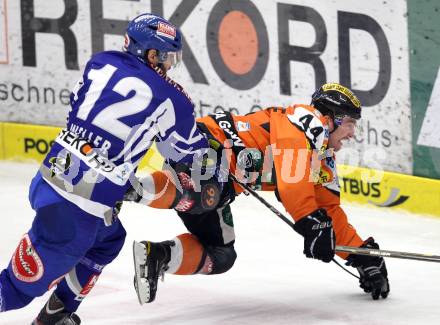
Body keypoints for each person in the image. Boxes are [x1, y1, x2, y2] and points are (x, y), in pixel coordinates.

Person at [0, 13, 209, 324]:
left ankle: (55, 317)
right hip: (76, 209)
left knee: (109, 239)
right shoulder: (173, 99)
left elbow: (78, 108)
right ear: (150, 54)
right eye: (166, 57)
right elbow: (188, 154)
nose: (168, 65)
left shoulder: (101, 62)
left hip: (49, 178)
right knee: (14, 290)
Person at [130, 83, 390, 305]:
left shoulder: (321, 155)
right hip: (204, 146)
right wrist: (310, 220)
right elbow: (292, 184)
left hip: (221, 184)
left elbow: (329, 209)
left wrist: (361, 255)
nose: (353, 134)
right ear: (330, 118)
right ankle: (128, 189)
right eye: (350, 123)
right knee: (205, 191)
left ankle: (157, 256)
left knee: (221, 256)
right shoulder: (305, 123)